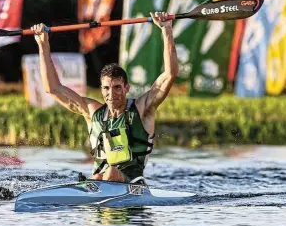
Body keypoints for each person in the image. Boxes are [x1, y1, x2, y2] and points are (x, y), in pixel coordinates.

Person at [31, 12, 178, 183]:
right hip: (98, 181)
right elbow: (53, 88)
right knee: (101, 175)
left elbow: (170, 74)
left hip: (132, 183)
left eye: (117, 88)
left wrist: (166, 30)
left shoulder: (142, 109)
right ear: (101, 90)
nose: (111, 94)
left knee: (109, 173)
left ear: (126, 88)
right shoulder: (93, 112)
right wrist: (43, 45)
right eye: (106, 88)